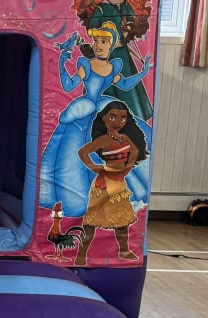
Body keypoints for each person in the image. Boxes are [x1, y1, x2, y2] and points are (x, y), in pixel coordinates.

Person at [39, 21, 152, 216]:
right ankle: (83, 199)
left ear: (111, 45)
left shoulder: (113, 67)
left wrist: (143, 72)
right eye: (96, 41)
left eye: (103, 41)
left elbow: (125, 84)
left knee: (115, 145)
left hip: (101, 109)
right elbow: (69, 85)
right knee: (72, 151)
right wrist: (62, 62)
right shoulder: (87, 64)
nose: (98, 45)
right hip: (84, 111)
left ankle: (120, 197)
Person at [72, 0, 153, 120]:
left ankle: (130, 121)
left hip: (122, 53)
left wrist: (125, 33)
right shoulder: (99, 9)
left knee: (127, 91)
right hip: (104, 54)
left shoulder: (125, 5)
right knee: (103, 88)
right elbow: (92, 30)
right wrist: (106, 38)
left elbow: (132, 24)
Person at [74, 100, 149, 265]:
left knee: (121, 219)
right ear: (104, 118)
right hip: (104, 183)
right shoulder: (103, 140)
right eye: (113, 117)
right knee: (91, 221)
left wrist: (128, 167)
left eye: (122, 118)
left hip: (119, 183)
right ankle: (81, 255)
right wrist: (94, 167)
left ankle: (124, 251)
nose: (118, 122)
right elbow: (83, 152)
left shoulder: (125, 138)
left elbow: (135, 151)